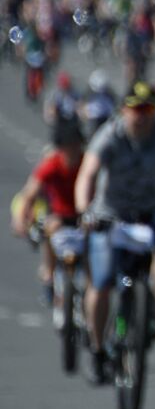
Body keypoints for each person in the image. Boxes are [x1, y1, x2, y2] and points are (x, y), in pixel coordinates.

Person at [74, 82, 155, 382]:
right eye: (136, 110)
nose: (141, 117)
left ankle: (152, 313)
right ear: (124, 110)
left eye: (147, 109)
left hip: (149, 212)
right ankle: (96, 348)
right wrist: (84, 210)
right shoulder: (111, 134)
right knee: (102, 281)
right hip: (110, 214)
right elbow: (88, 173)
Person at [12, 121, 86, 306]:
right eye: (68, 146)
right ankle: (49, 275)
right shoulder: (51, 165)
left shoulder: (87, 163)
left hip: (83, 215)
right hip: (58, 215)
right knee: (49, 232)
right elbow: (29, 193)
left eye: (76, 145)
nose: (73, 150)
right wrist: (20, 220)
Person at [83, 70, 116, 138]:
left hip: (106, 118)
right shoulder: (88, 93)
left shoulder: (109, 94)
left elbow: (114, 103)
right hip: (93, 119)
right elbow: (83, 105)